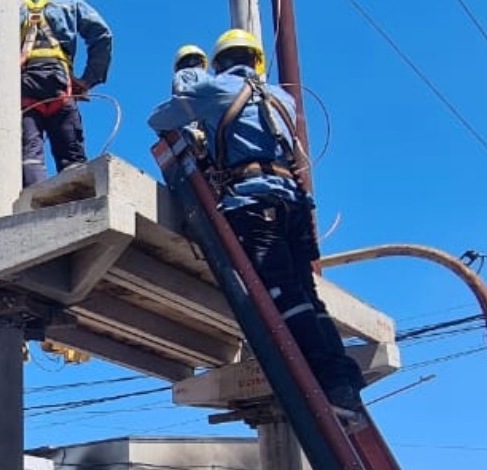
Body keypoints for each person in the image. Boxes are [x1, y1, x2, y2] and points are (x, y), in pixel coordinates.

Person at [147, 28, 366, 411]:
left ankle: (329, 384)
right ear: (257, 61)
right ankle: (344, 377)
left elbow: (160, 119)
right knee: (308, 297)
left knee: (284, 297)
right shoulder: (283, 99)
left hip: (253, 203)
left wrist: (192, 86)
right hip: (295, 206)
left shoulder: (216, 89)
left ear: (218, 63)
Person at [19, 0, 113, 187]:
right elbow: (102, 35)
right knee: (71, 158)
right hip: (60, 85)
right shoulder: (70, 2)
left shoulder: (6, 8)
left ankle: (32, 200)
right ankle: (76, 195)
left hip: (24, 89)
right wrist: (88, 80)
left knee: (29, 156)